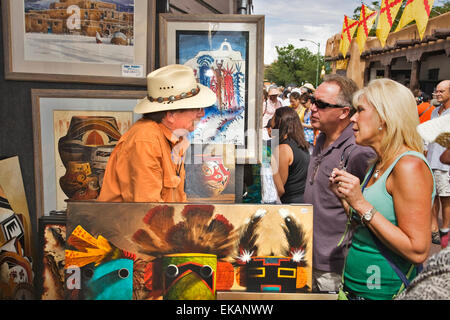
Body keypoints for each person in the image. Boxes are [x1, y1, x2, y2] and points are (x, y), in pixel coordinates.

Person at [330, 78, 435, 300]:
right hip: (355, 289)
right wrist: (346, 198)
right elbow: (369, 225)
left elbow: (417, 250)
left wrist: (359, 202)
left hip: (384, 293)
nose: (353, 119)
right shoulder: (378, 163)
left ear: (384, 117)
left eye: (360, 111)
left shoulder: (409, 166)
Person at [97, 64, 216, 202]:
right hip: (131, 222)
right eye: (196, 108)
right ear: (171, 115)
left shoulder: (176, 138)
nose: (201, 113)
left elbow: (177, 202)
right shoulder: (146, 140)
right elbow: (149, 209)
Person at [303, 74, 376, 293]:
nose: (312, 108)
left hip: (334, 265)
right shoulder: (322, 138)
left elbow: (367, 213)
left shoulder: (358, 151)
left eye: (321, 104)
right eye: (312, 101)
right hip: (310, 257)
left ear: (345, 112)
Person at [426, 80, 450, 248]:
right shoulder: (435, 112)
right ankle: (433, 227)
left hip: (445, 165)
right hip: (431, 160)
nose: (437, 94)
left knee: (446, 199)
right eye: (437, 91)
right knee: (432, 196)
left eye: (441, 91)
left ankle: (445, 230)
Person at [269, 107, 310, 204]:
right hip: (303, 201)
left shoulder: (283, 149)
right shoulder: (302, 145)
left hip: (290, 204)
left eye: (273, 117)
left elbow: (279, 189)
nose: (271, 121)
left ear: (279, 122)